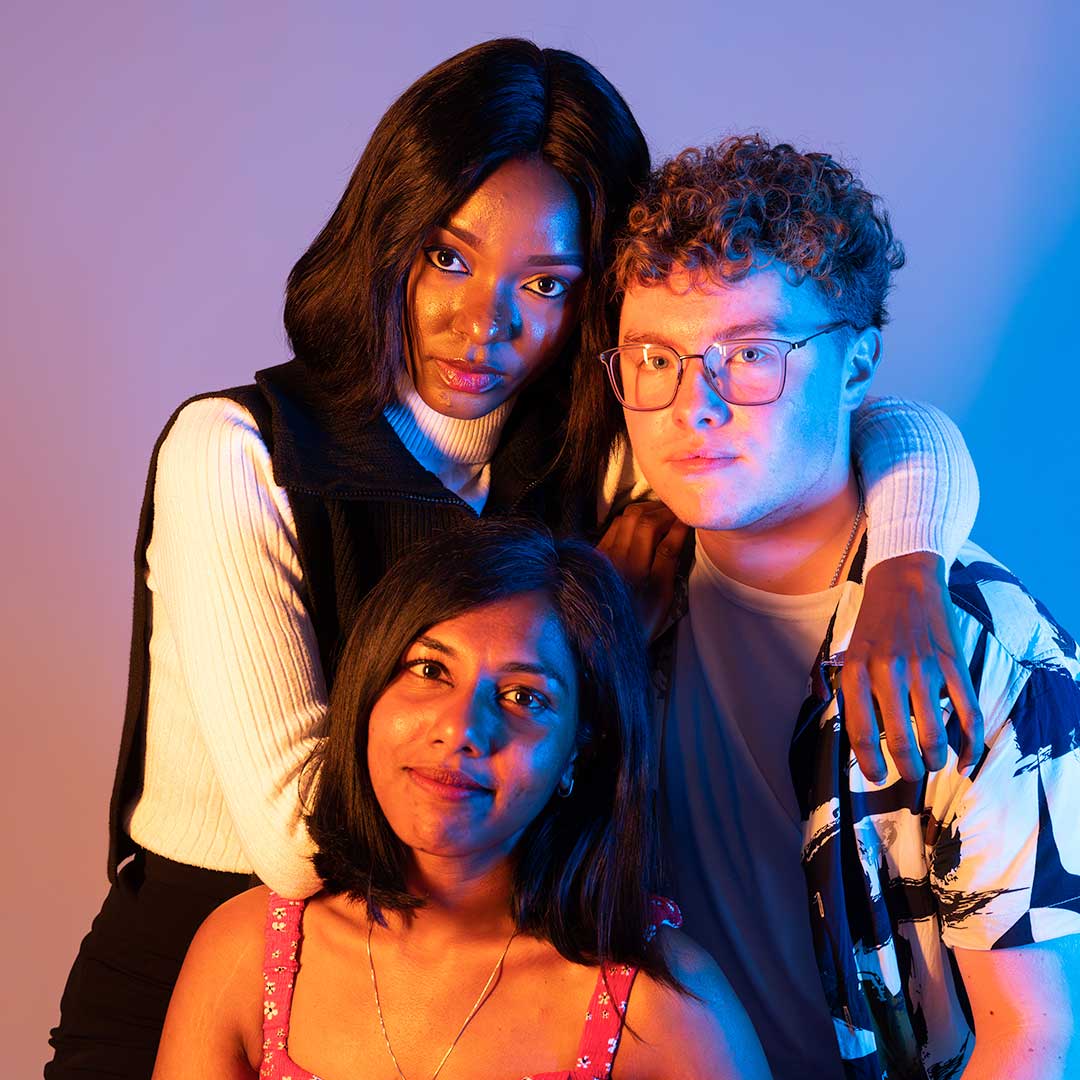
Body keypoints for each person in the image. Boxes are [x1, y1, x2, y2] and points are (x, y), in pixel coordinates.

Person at [49, 38, 978, 1077]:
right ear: (383, 233)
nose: (482, 321)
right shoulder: (240, 453)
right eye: (447, 255)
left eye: (545, 283)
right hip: (217, 960)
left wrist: (906, 561)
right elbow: (300, 844)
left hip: (479, 980)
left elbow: (865, 425)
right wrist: (593, 628)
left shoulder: (595, 445)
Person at [598, 135, 1080, 1078]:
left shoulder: (989, 659)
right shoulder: (618, 578)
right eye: (655, 357)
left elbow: (1032, 1040)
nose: (692, 407)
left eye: (750, 354)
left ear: (857, 367)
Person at [150, 521, 771, 1080]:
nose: (461, 730)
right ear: (370, 692)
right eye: (428, 670)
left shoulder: (661, 1003)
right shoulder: (246, 952)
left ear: (577, 753)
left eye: (524, 697)